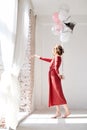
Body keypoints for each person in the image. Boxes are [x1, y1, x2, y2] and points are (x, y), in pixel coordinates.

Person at [33, 44, 70, 118]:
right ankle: (58, 112)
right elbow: (49, 60)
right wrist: (38, 57)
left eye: (54, 49)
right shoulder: (56, 58)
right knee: (55, 94)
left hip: (54, 77)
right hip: (53, 76)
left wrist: (58, 74)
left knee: (59, 94)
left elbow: (56, 67)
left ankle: (67, 111)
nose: (53, 51)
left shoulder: (57, 57)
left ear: (56, 50)